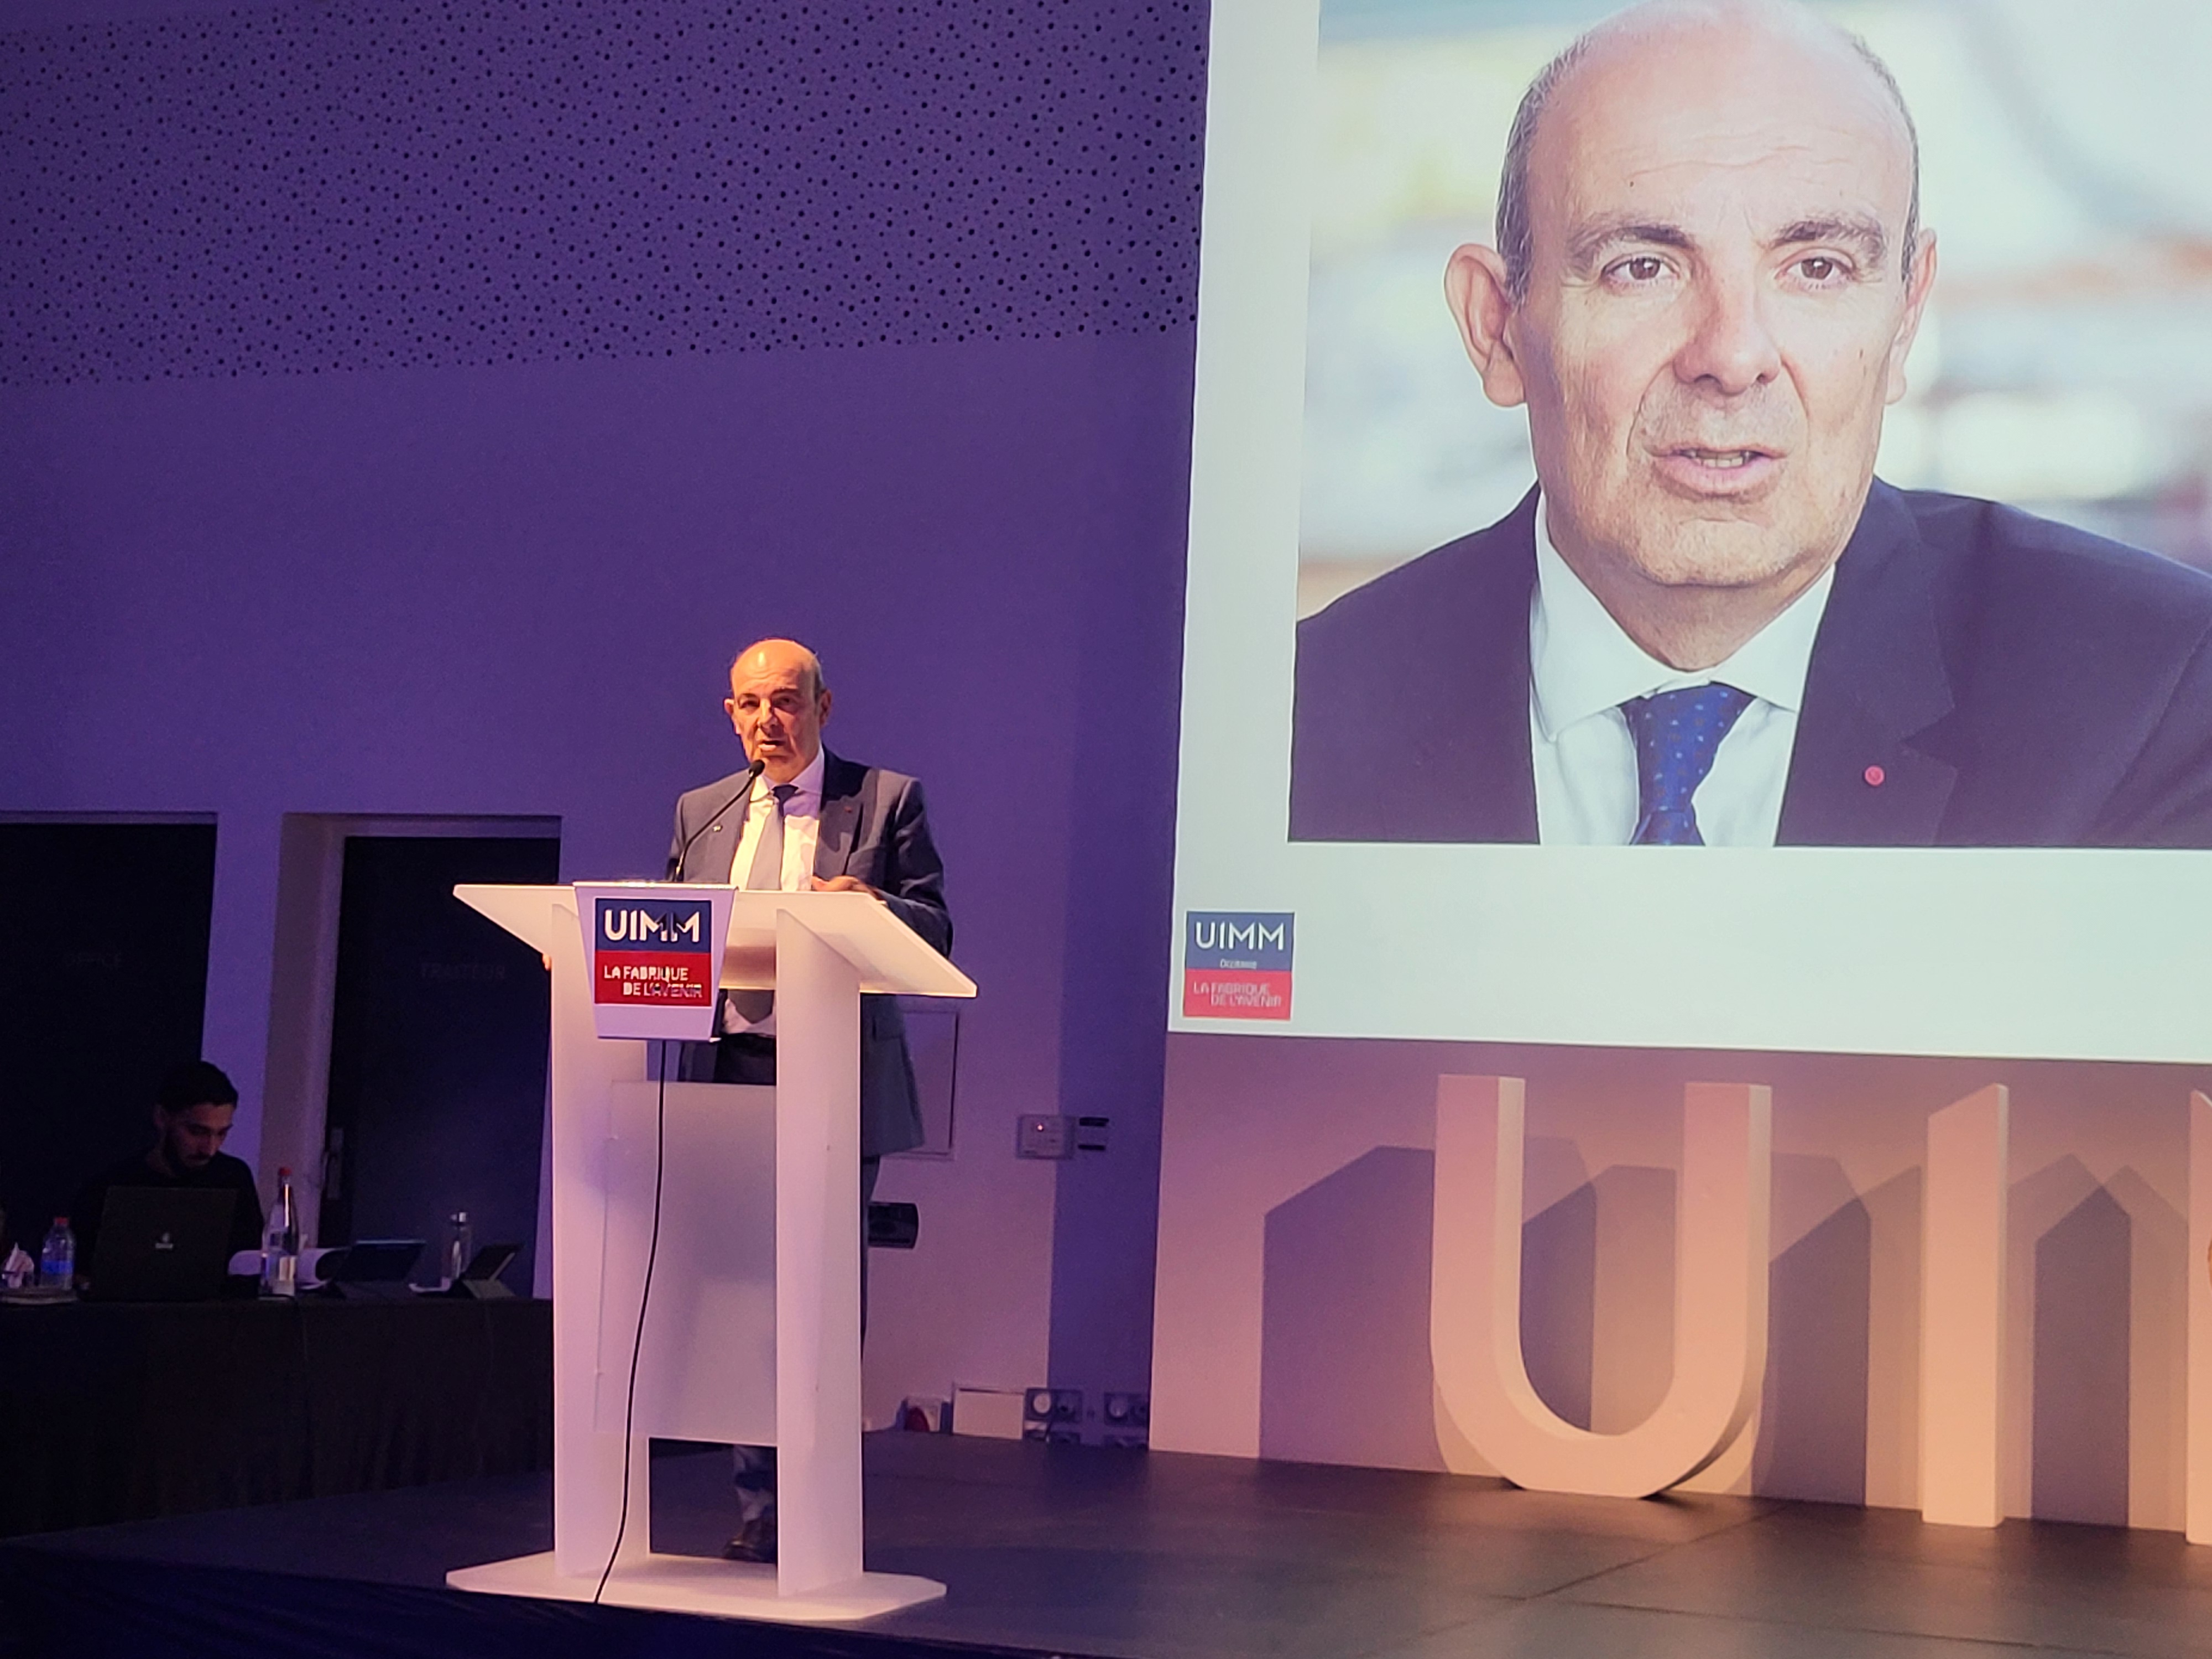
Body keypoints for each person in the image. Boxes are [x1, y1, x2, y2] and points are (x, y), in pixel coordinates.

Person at [1290, 0, 2212, 848]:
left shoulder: (2153, 696)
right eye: (1641, 266)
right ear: (1497, 328)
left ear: (1905, 319)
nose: (1732, 356)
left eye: (1816, 268)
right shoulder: (1286, 728)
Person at [665, 636, 951, 1562]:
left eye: (785, 702)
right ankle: (760, 1507)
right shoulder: (703, 813)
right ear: (730, 714)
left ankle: (819, 1492)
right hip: (733, 1080)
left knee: (820, 1293)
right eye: (750, 705)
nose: (767, 722)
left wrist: (865, 906)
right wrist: (588, 950)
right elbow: (671, 929)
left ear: (824, 707)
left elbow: (936, 927)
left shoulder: (884, 798)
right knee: (749, 1299)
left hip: (835, 1082)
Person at [71, 1060, 267, 1277]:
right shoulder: (111, 1186)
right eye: (197, 1132)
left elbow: (249, 1265)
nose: (210, 1149)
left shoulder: (234, 1178)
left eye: (221, 1134)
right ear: (162, 1118)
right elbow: (81, 1276)